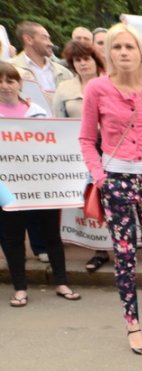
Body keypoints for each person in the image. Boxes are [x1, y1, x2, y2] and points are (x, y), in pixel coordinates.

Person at [78, 23, 142, 354]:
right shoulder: (97, 89)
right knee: (123, 255)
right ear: (109, 53)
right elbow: (86, 138)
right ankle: (132, 324)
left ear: (141, 52)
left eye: (129, 46)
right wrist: (101, 177)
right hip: (116, 179)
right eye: (117, 47)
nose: (123, 52)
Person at [0, 62, 81, 308]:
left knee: (51, 235)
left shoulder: (37, 111)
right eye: (0, 81)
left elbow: (54, 144)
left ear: (19, 84)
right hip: (7, 189)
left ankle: (62, 282)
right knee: (13, 239)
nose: (5, 86)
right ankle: (20, 288)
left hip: (42, 186)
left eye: (10, 80)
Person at [52, 40, 114, 274]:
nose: (83, 64)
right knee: (90, 201)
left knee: (111, 199)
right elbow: (59, 122)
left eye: (87, 59)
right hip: (78, 152)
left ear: (96, 60)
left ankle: (120, 245)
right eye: (77, 60)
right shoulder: (64, 89)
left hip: (110, 151)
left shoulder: (110, 83)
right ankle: (99, 250)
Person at [10, 21, 74, 104]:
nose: (51, 44)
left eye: (49, 39)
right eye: (45, 38)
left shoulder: (64, 73)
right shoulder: (10, 69)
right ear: (28, 39)